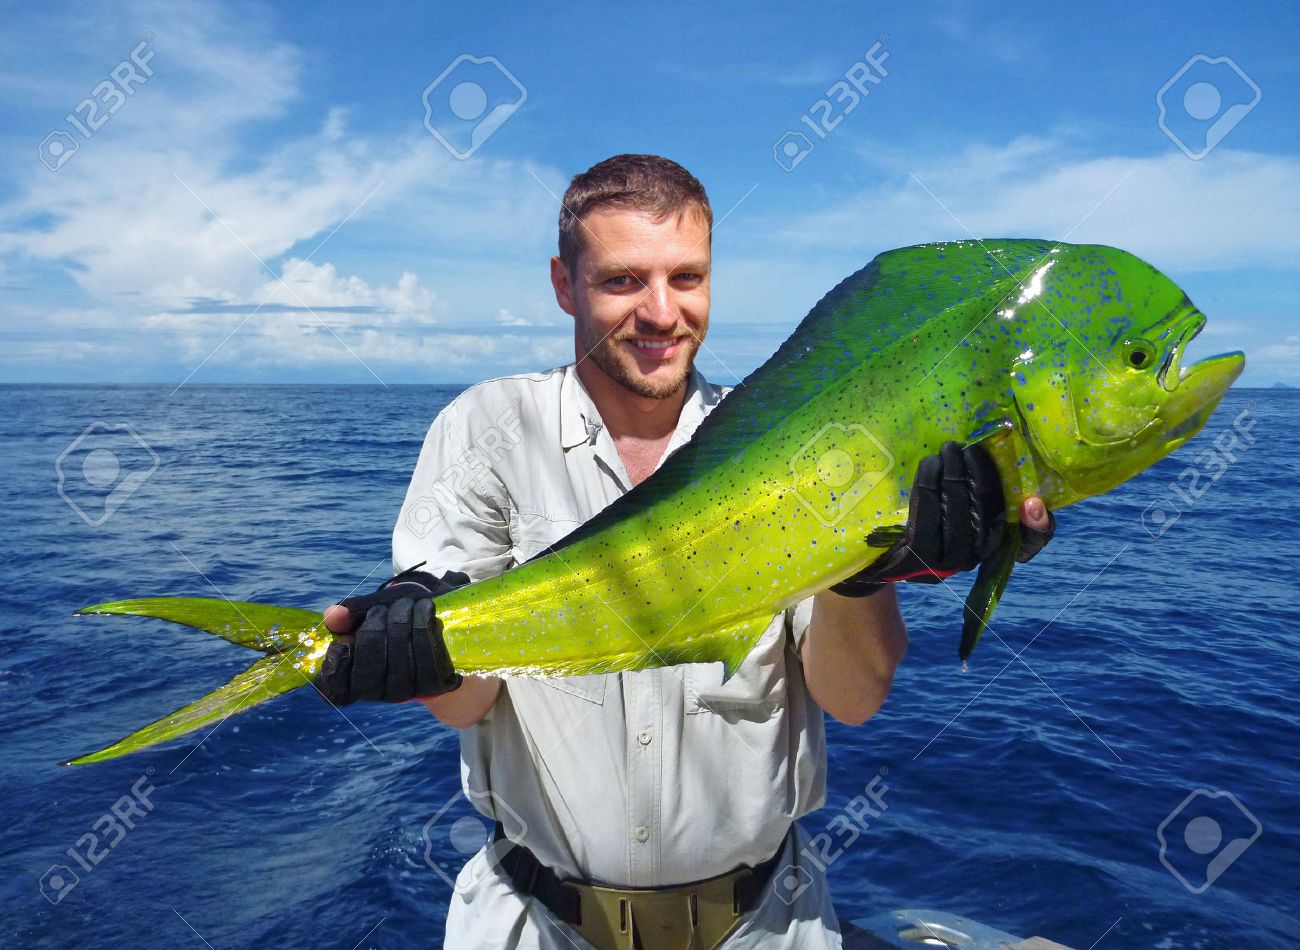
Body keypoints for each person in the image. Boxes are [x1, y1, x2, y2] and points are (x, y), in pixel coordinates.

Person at [317, 155, 1054, 950]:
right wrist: (416, 650)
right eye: (624, 281)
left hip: (767, 927)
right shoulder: (486, 429)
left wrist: (869, 576)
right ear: (565, 286)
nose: (662, 313)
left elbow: (853, 700)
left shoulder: (793, 447)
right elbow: (465, 704)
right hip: (534, 926)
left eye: (688, 278)